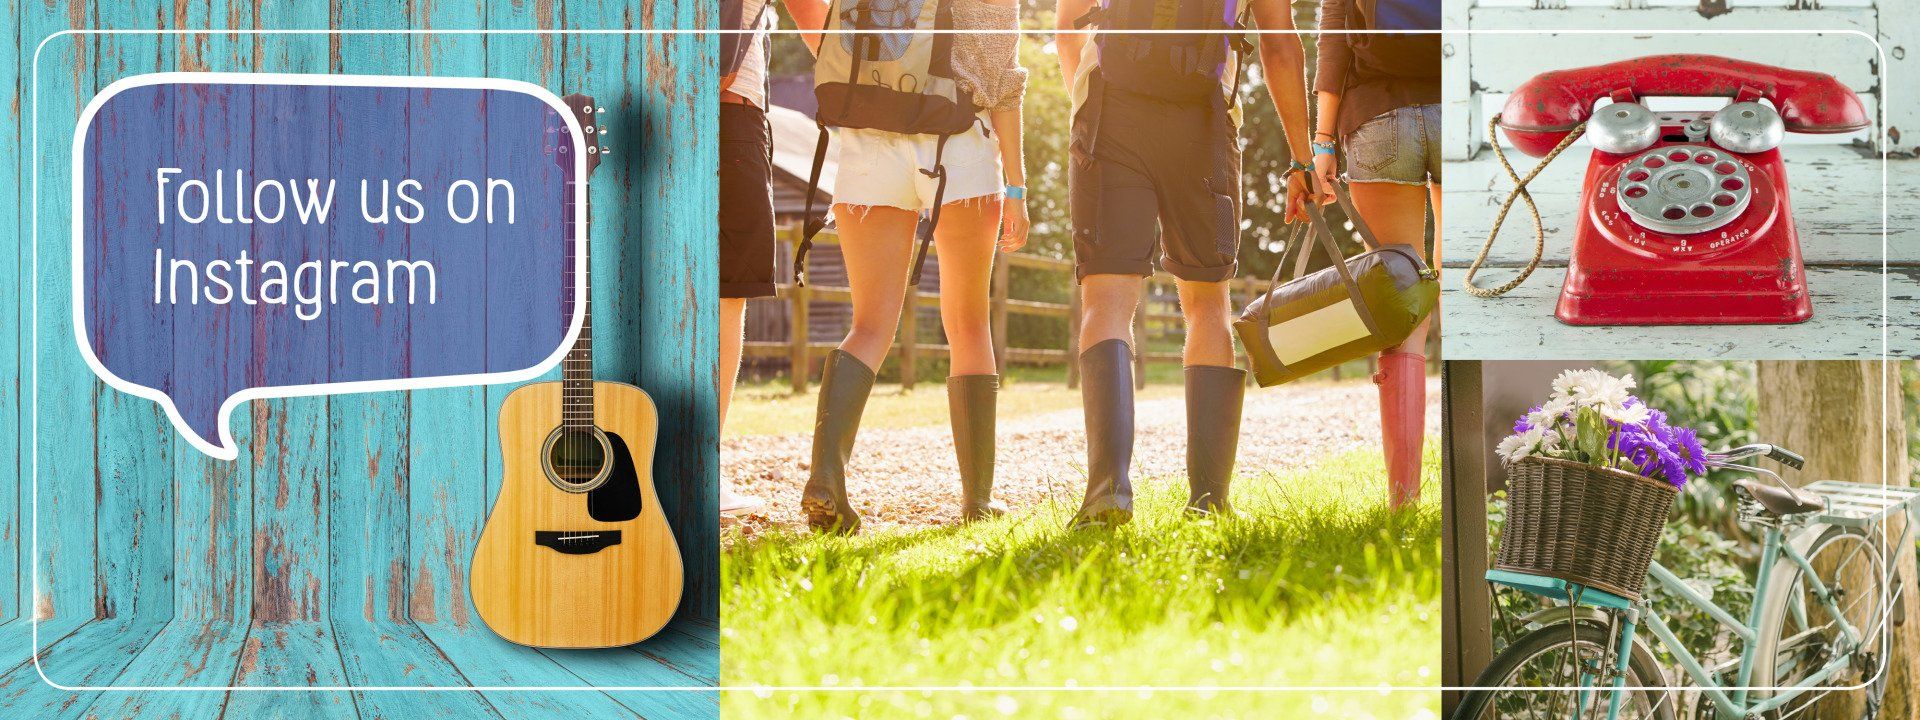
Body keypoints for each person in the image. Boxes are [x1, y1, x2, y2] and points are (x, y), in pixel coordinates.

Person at [1054, 0, 1316, 526]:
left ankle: (1108, 490)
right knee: (1207, 304)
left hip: (1111, 115)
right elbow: (1280, 44)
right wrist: (1302, 160)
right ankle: (1209, 501)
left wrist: (1086, 102)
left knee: (1106, 300)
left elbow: (1067, 28)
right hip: (1204, 127)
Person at [797, 0, 1031, 534]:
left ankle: (827, 476)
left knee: (870, 325)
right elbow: (1004, 81)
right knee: (968, 324)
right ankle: (977, 501)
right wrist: (1016, 188)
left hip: (866, 137)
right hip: (957, 144)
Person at [1310, 0, 1441, 508]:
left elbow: (1332, 41)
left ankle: (1403, 500)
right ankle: (1473, 485)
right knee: (1464, 295)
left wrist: (1322, 144)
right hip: (1460, 109)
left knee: (1401, 305)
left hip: (1377, 118)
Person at [717, 0, 829, 516]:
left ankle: (637, 454)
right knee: (727, 293)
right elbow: (815, 17)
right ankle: (700, 466)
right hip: (728, 111)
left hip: (634, 98)